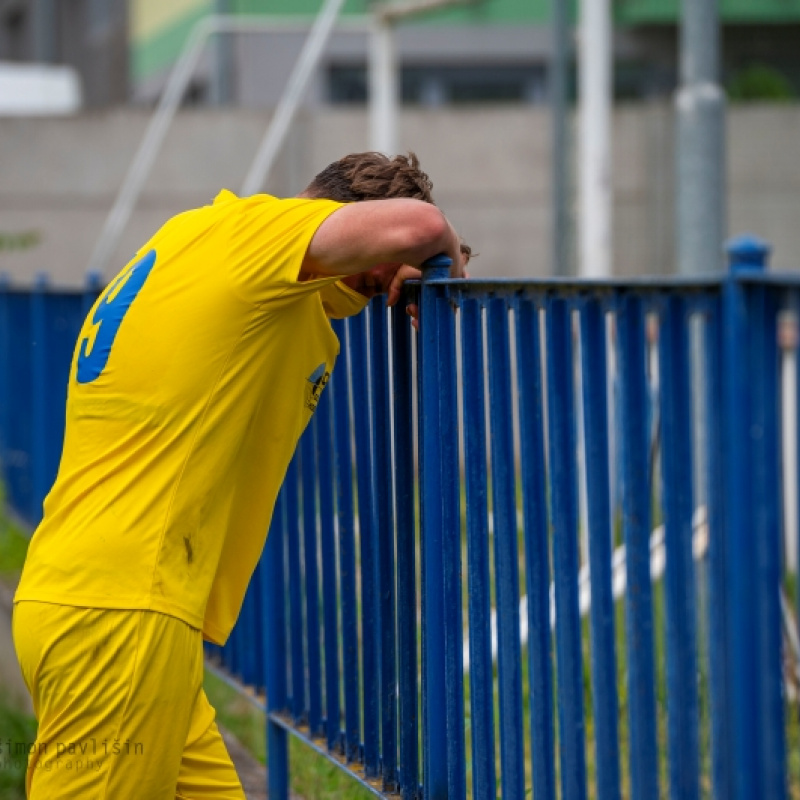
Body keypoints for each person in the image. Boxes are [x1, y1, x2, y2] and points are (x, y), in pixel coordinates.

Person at [12, 151, 470, 799]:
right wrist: (445, 249)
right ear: (344, 219)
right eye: (376, 277)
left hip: (108, 603)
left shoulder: (199, 238)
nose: (376, 290)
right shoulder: (263, 234)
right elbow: (417, 225)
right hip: (120, 618)